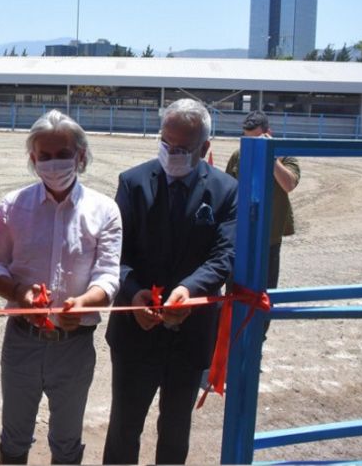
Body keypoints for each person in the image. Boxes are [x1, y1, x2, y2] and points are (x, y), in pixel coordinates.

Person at [102, 98, 237, 464]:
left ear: (205, 148)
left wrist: (188, 292)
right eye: (165, 143)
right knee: (123, 428)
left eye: (182, 148)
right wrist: (134, 295)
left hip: (190, 335)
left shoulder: (226, 191)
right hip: (135, 332)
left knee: (176, 432)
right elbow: (116, 254)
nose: (171, 153)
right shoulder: (132, 183)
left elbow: (224, 256)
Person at [0, 110, 122, 464]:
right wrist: (19, 294)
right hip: (22, 343)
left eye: (63, 154)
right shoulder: (12, 207)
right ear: (33, 159)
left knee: (66, 441)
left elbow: (108, 275)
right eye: (44, 157)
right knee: (14, 439)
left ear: (80, 155)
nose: (54, 164)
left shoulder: (104, 210)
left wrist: (84, 303)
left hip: (74, 348)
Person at [225, 110, 300, 292]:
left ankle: (263, 322)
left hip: (269, 236)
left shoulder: (284, 155)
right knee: (235, 288)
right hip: (241, 233)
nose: (251, 145)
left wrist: (270, 157)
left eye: (256, 139)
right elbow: (227, 189)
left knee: (265, 290)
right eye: (247, 139)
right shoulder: (239, 155)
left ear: (269, 133)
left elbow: (289, 184)